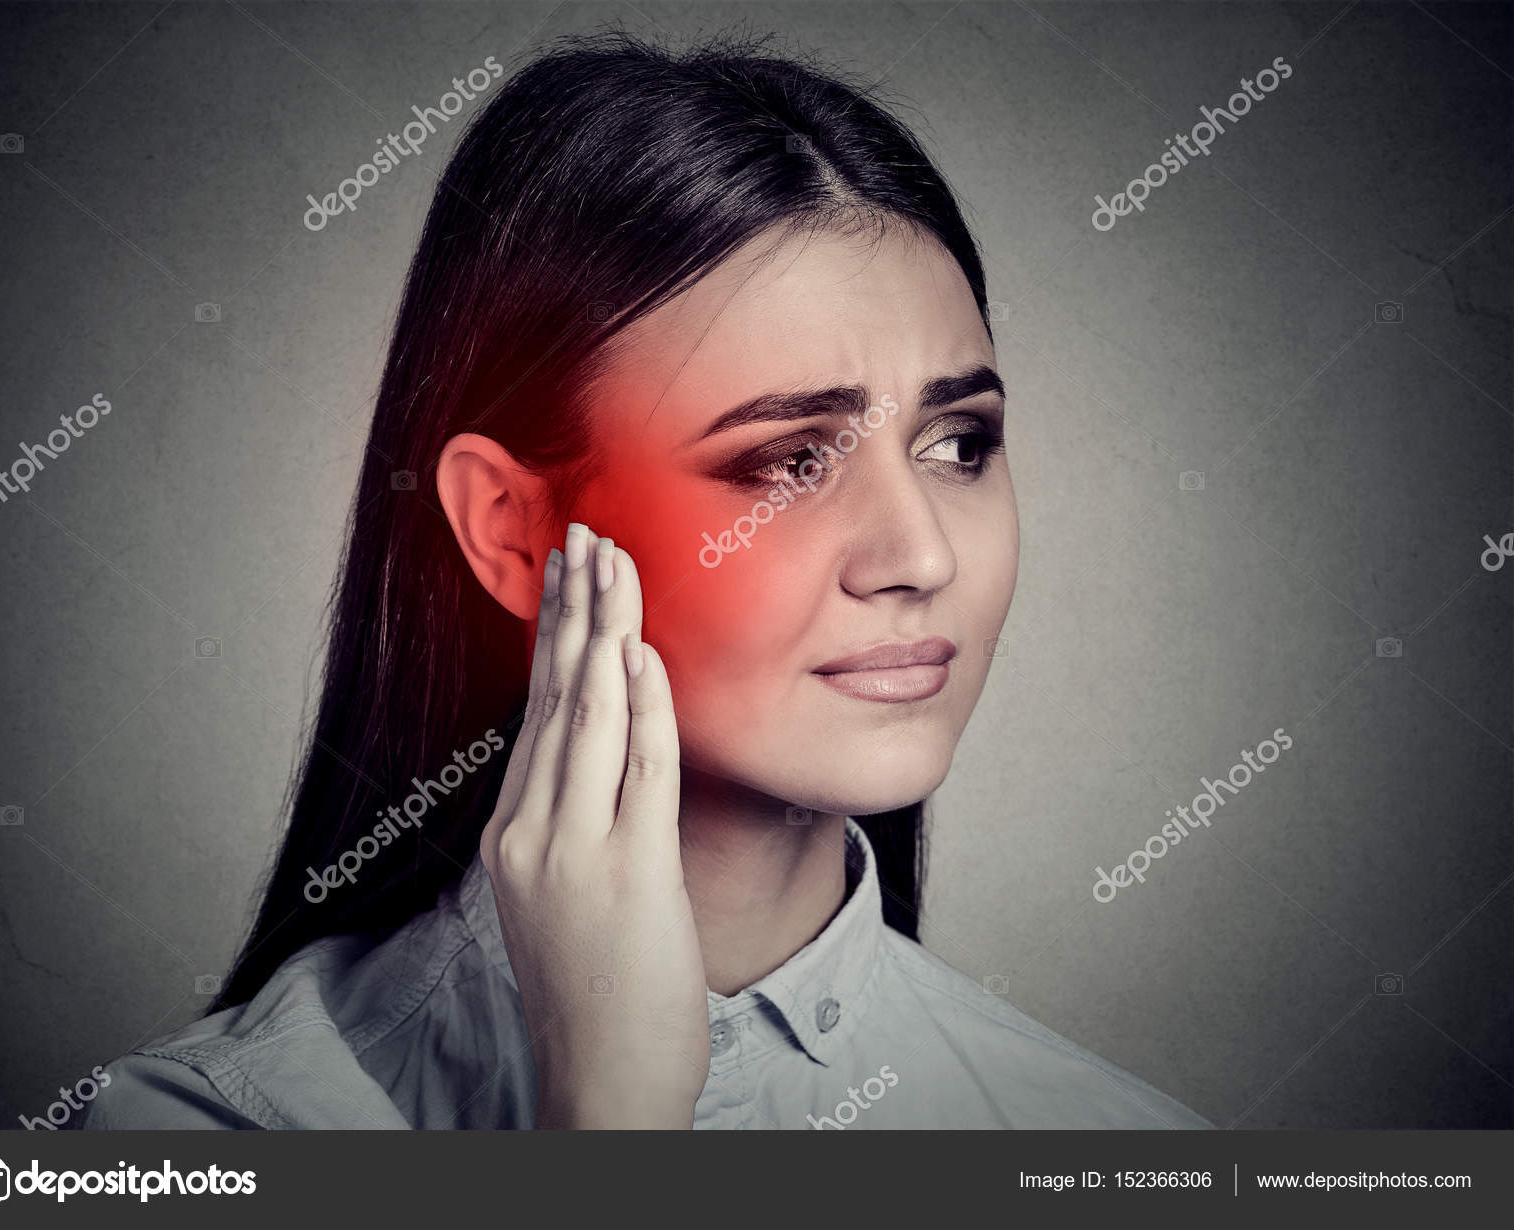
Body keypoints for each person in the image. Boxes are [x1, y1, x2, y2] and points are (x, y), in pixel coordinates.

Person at [77, 32, 1210, 1130]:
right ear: (515, 532)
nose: (922, 558)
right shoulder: (210, 1130)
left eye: (960, 443)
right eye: (788, 462)